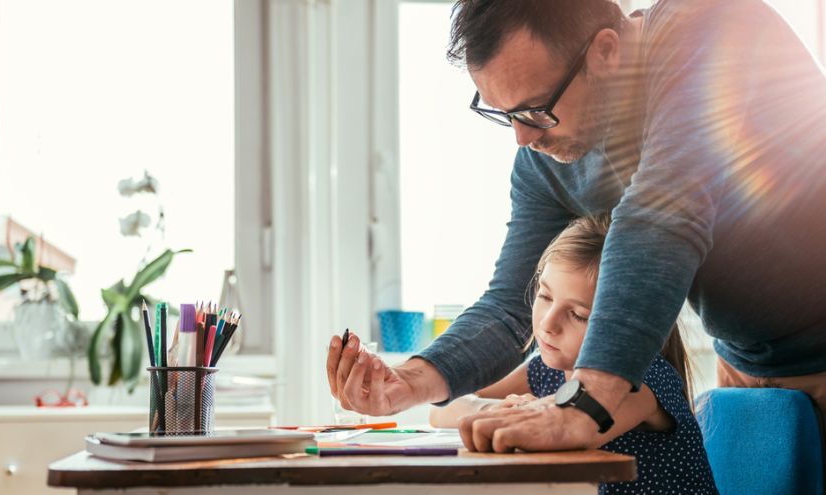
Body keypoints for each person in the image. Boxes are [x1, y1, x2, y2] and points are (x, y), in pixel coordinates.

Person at [327, 0, 826, 453]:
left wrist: (587, 405)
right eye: (505, 115)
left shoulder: (709, 27)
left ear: (605, 52)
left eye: (535, 110)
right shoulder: (547, 161)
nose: (523, 138)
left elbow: (662, 214)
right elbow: (510, 305)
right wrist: (411, 380)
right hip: (750, 370)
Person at [430, 215, 716, 493]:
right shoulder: (548, 369)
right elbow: (442, 407)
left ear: (631, 327)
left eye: (578, 315)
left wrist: (524, 417)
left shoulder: (642, 380)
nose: (547, 324)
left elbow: (575, 429)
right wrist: (494, 410)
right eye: (545, 296)